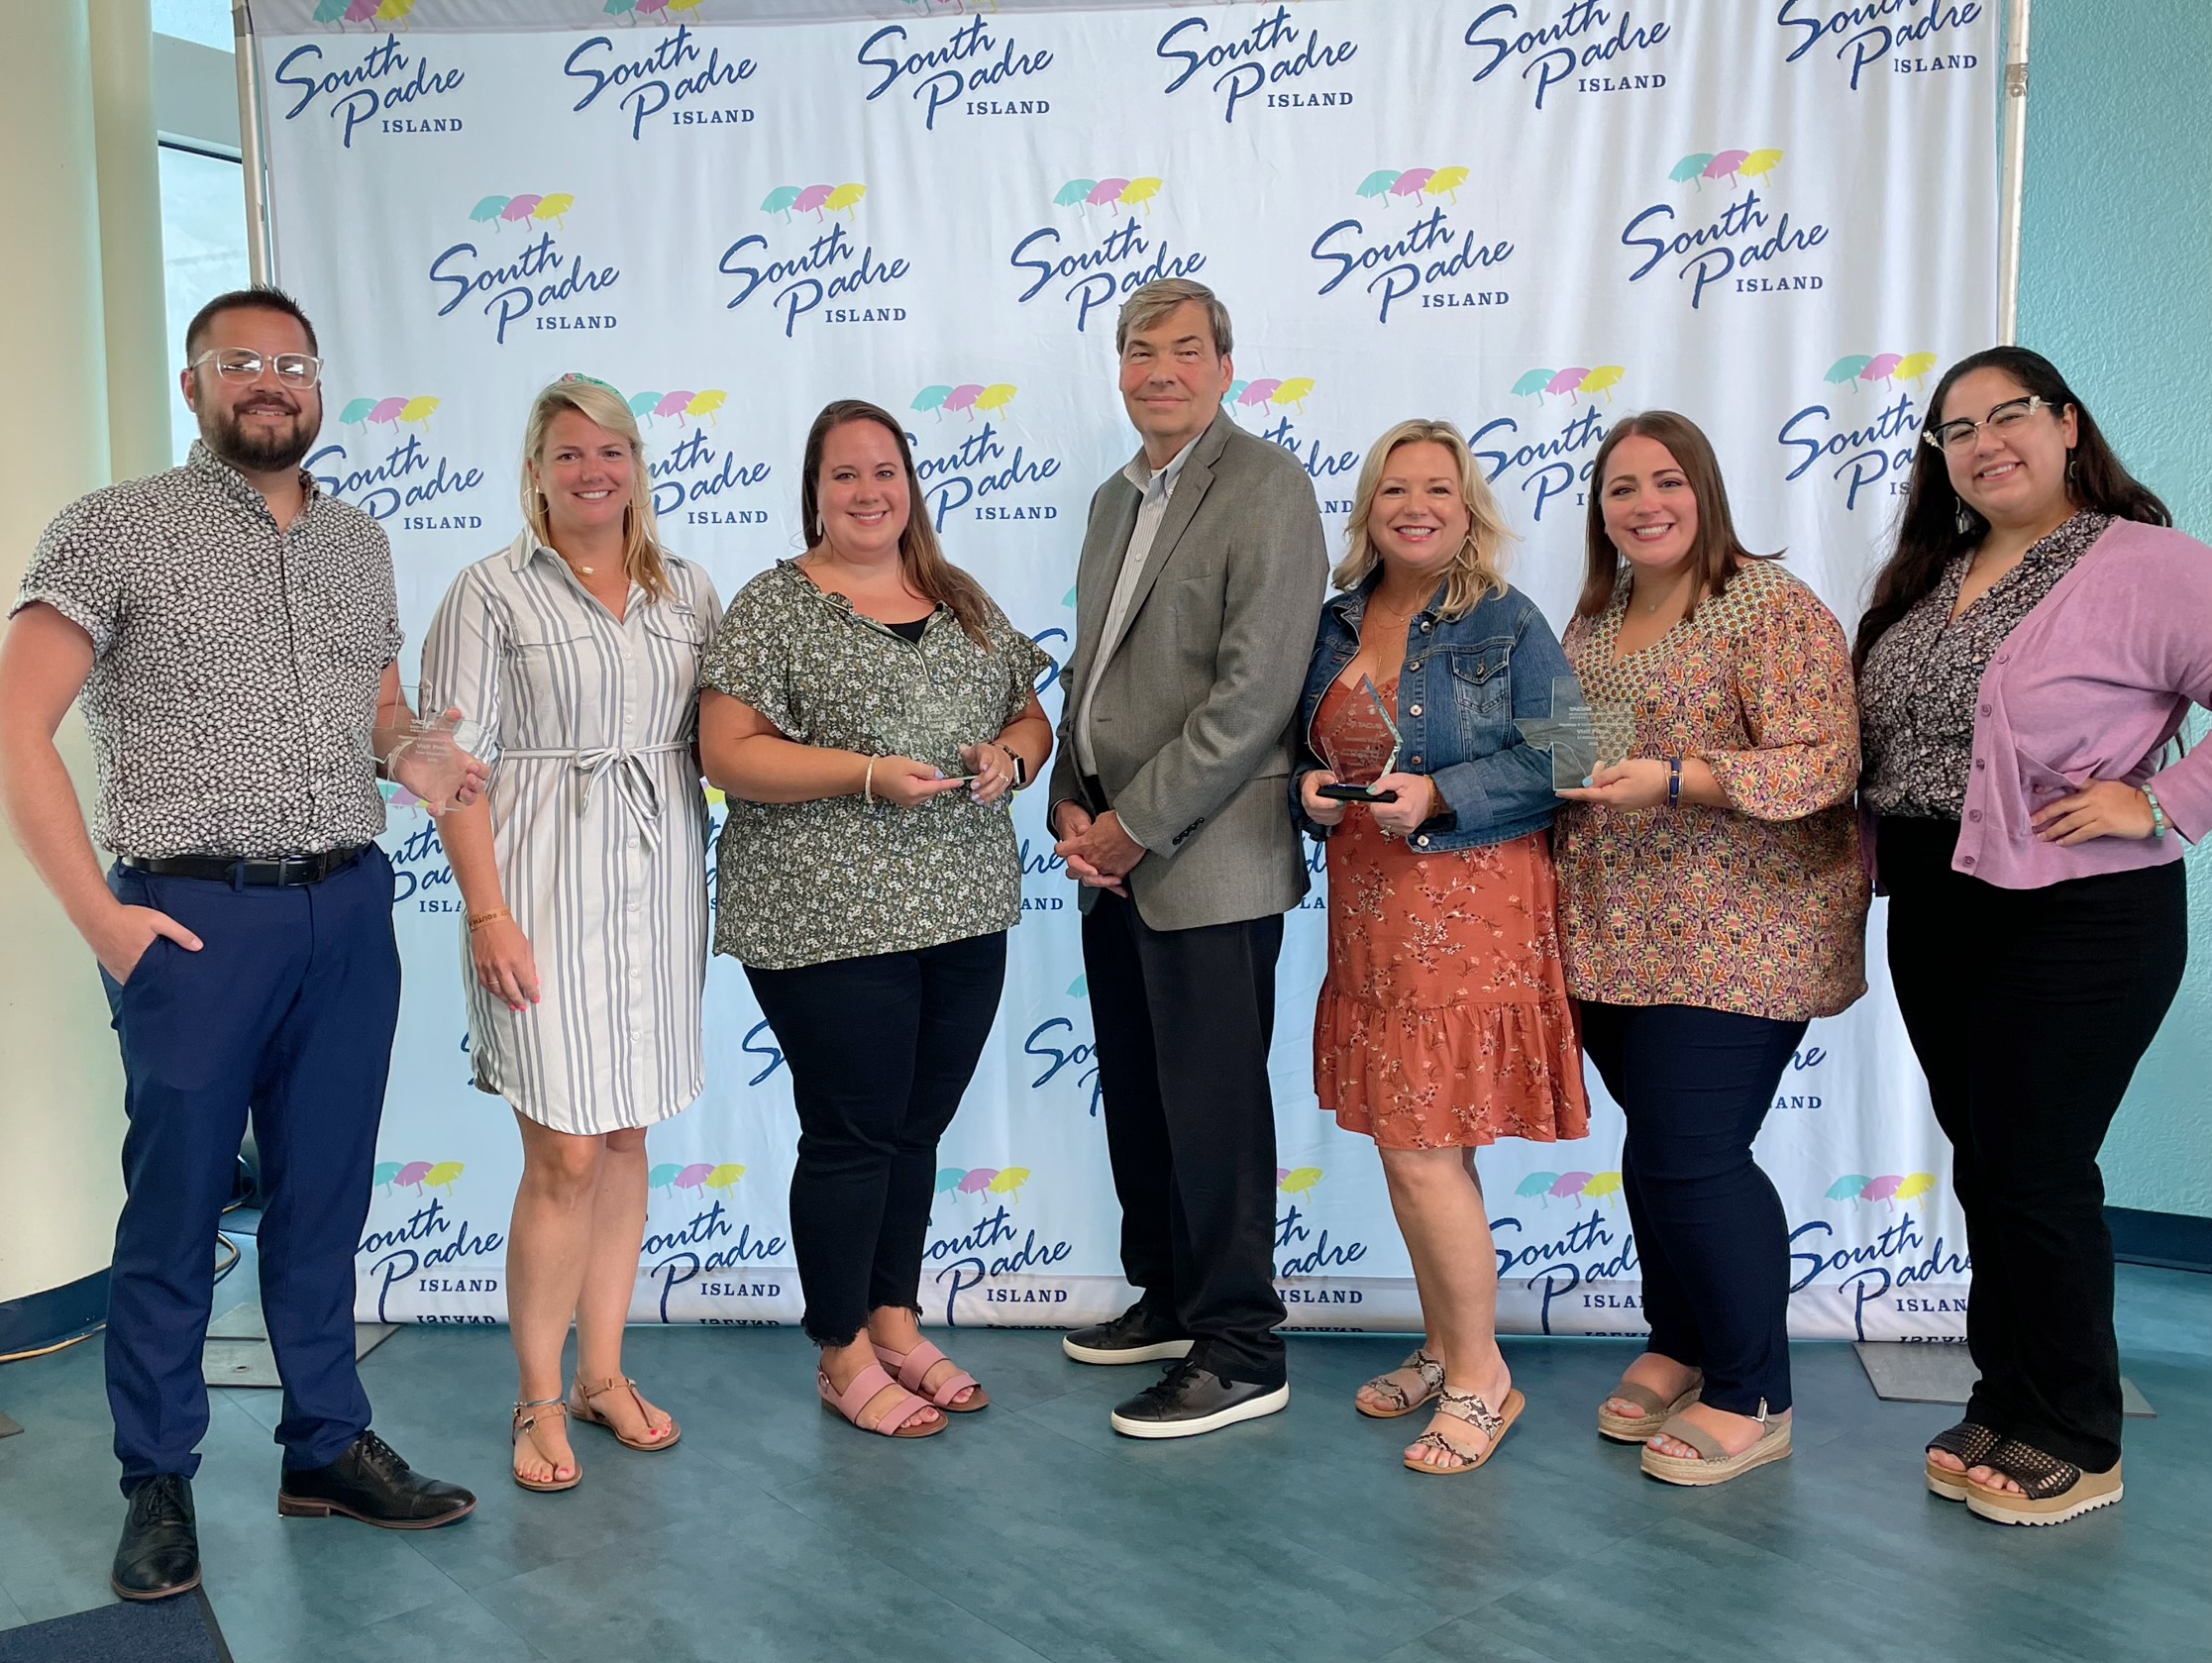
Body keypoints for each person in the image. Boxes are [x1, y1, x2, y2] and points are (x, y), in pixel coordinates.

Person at [0, 286, 482, 1603]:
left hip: (348, 908)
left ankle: (323, 1443)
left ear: (319, 386)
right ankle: (156, 1477)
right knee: (175, 1211)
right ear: (196, 381)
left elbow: (377, 707)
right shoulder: (115, 527)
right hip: (192, 917)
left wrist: (414, 754)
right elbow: (15, 722)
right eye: (242, 362)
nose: (270, 382)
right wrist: (103, 922)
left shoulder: (361, 542)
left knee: (321, 1195)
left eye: (293, 363)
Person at [1855, 347, 2207, 1528]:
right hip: (1938, 906)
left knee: (2038, 1167)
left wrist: (2159, 802)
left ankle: (2076, 1431)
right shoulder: (1929, 575)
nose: (1982, 442)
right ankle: (2006, 1396)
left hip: (2078, 914)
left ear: (2065, 423)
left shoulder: (2145, 563)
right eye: (1955, 429)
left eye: (2007, 415)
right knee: (1988, 1162)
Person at [698, 399, 1051, 1439]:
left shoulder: (957, 596)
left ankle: (894, 1317)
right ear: (814, 489)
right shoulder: (773, 605)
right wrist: (861, 775)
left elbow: (1028, 706)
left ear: (910, 483)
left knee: (915, 1126)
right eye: (844, 474)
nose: (867, 491)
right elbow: (727, 752)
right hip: (824, 918)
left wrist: (1013, 755)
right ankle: (841, 1346)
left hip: (961, 905)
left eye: (884, 471)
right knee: (852, 1132)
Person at [1554, 411, 1866, 1488]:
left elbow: (1827, 759)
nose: (1643, 504)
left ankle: (1754, 1390)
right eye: (1620, 489)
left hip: (1744, 932)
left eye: (1665, 481)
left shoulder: (1767, 606)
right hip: (1608, 931)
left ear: (1705, 489)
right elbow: (1570, 756)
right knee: (1658, 1148)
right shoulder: (1595, 620)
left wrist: (1681, 776)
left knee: (1693, 1154)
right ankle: (1678, 1341)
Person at [422, 374, 719, 1492]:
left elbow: (725, 734)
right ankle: (535, 1398)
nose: (594, 470)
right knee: (564, 1152)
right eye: (569, 453)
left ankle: (603, 1373)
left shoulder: (688, 588)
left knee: (629, 1136)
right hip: (538, 885)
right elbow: (453, 773)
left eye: (614, 450)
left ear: (639, 463)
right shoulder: (489, 591)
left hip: (658, 887)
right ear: (534, 470)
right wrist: (488, 910)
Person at [1049, 277, 1327, 1439]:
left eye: (1181, 351)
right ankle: (1169, 1292)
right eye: (1136, 351)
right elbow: (1095, 669)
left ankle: (1239, 1343)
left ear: (1224, 365)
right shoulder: (1120, 497)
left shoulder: (1266, 487)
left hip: (1204, 850)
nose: (1157, 370)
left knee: (1212, 1106)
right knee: (1145, 1098)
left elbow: (1252, 694)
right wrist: (1072, 798)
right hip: (1111, 846)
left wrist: (1133, 821)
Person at [1291, 420, 1588, 1474]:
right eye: (1394, 490)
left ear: (1468, 510)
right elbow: (1302, 749)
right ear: (1369, 508)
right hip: (1370, 901)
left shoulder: (1505, 618)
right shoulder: (1333, 621)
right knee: (1418, 1146)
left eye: (1439, 489)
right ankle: (1445, 1341)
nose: (1415, 506)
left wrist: (1446, 793)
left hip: (1471, 892)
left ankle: (1481, 1379)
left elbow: (1573, 751)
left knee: (1422, 1149)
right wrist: (1308, 793)